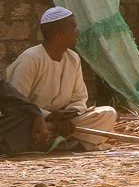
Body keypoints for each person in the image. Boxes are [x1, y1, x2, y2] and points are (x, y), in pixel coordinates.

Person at [5, 8, 118, 148]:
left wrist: (66, 115)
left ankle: (59, 141)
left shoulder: (73, 58)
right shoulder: (31, 59)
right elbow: (16, 103)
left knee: (107, 114)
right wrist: (48, 116)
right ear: (60, 33)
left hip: (64, 122)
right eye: (73, 26)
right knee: (24, 125)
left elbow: (79, 99)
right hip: (35, 121)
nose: (76, 31)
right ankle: (69, 142)